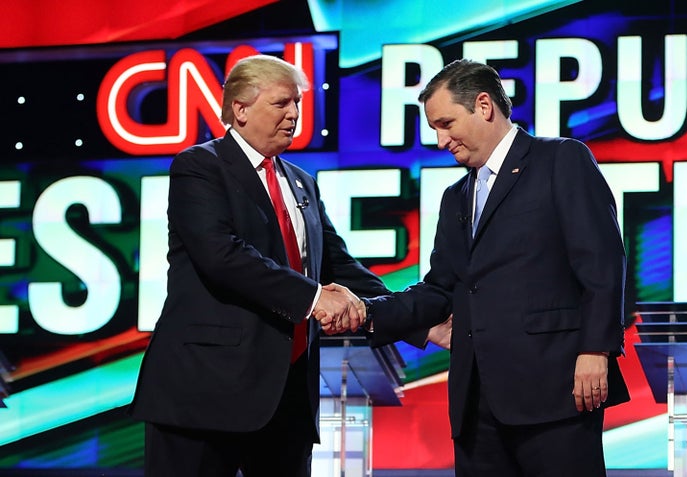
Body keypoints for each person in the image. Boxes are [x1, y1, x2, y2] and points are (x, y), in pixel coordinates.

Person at [350, 59, 630, 476]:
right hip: (476, 402)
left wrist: (596, 349)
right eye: (435, 129)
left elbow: (602, 261)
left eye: (446, 123)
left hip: (555, 390)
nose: (441, 139)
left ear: (483, 105)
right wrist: (368, 311)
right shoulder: (455, 197)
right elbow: (440, 288)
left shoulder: (560, 160)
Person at [129, 54, 406, 477]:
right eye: (281, 104)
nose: (294, 114)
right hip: (204, 394)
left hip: (287, 397)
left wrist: (417, 318)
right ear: (240, 108)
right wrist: (315, 299)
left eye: (297, 103)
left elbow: (338, 266)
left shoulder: (301, 181)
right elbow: (222, 255)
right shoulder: (200, 167)